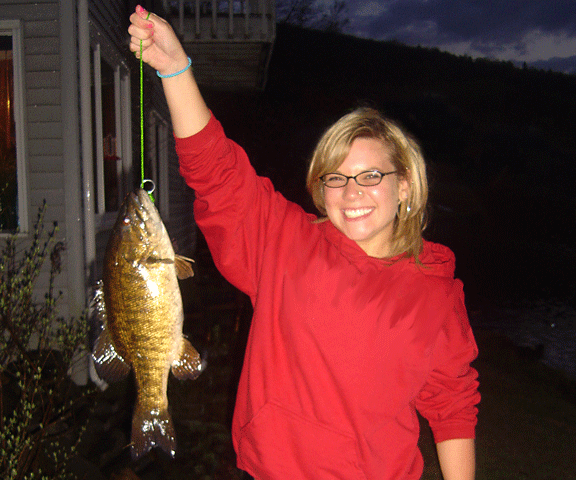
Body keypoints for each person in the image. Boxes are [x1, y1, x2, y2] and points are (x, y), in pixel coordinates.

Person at [129, 6, 480, 479]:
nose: (352, 191)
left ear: (406, 187)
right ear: (320, 189)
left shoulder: (436, 291)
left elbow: (452, 403)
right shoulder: (286, 243)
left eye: (371, 175)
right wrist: (175, 67)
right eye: (336, 177)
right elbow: (217, 171)